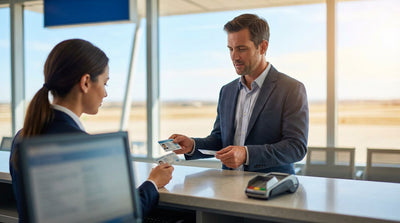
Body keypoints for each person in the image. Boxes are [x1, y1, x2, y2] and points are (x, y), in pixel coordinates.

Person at [9, 39, 174, 222]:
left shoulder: (23, 136)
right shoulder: (83, 148)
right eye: (105, 83)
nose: (105, 93)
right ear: (86, 82)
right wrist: (153, 182)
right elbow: (121, 216)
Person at [170, 14, 309, 174]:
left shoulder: (291, 88)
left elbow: (296, 147)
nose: (234, 56)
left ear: (263, 47)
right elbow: (220, 140)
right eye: (231, 49)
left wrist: (247, 154)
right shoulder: (227, 91)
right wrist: (193, 145)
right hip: (228, 187)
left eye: (242, 49)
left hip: (270, 189)